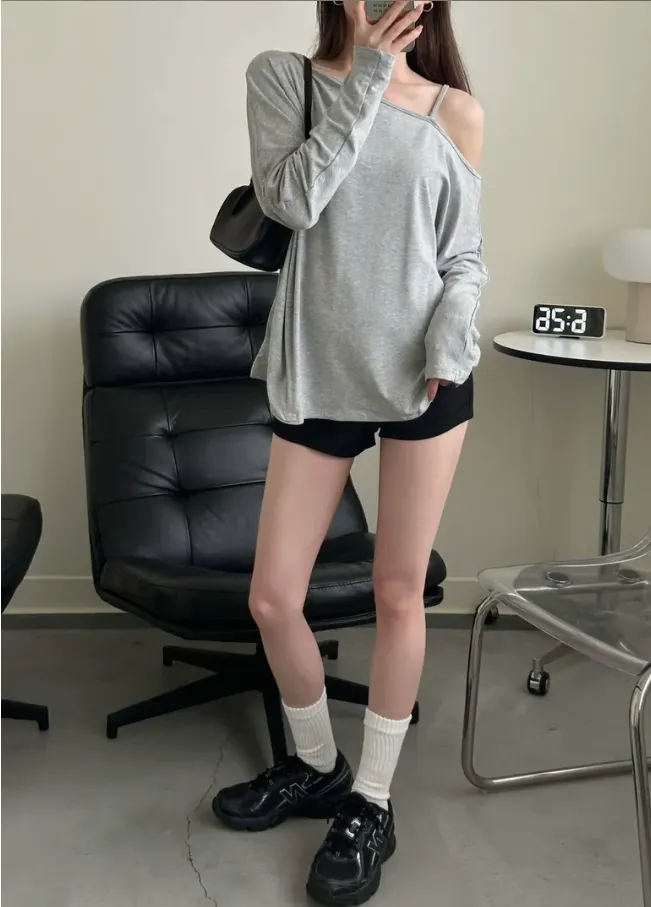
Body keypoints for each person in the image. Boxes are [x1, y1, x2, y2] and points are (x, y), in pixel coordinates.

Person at [213, 1, 486, 903]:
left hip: (424, 377)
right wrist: (366, 75)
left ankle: (370, 801)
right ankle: (317, 764)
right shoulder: (283, 78)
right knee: (272, 596)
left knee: (398, 591)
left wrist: (450, 337)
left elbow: (464, 258)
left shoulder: (455, 110)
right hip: (319, 369)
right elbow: (290, 200)